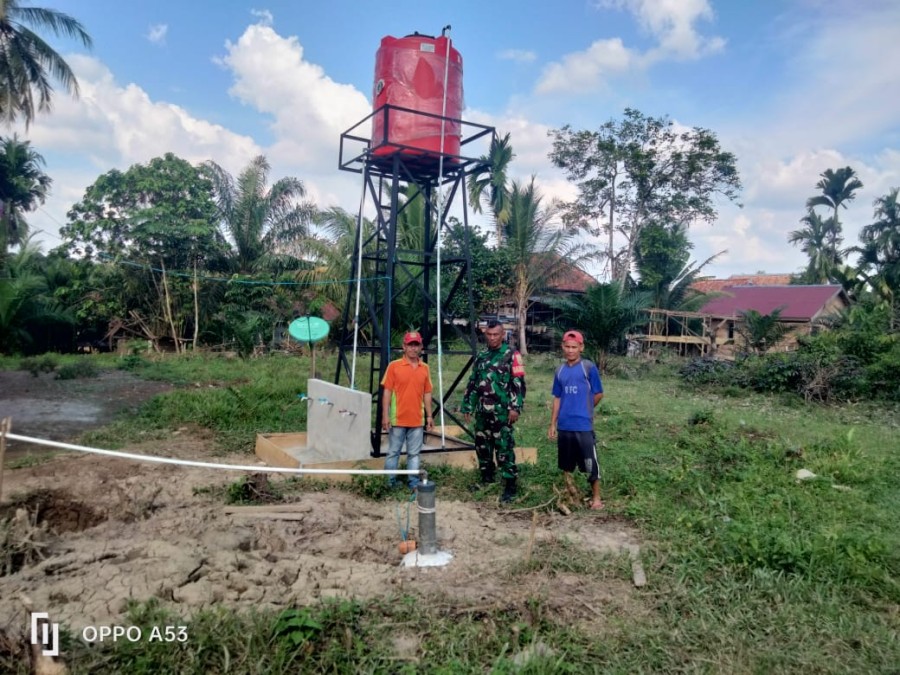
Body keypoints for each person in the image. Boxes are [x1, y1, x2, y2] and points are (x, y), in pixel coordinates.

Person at [462, 320, 526, 503]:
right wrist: (468, 404)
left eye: (495, 334)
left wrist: (515, 407)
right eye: (489, 335)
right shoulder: (482, 356)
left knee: (504, 447)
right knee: (482, 445)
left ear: (502, 334)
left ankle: (510, 484)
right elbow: (473, 382)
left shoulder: (512, 355)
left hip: (502, 412)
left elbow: (519, 384)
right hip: (482, 411)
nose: (492, 338)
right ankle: (486, 478)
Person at [547, 330, 605, 510]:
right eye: (567, 347)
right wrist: (553, 423)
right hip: (565, 425)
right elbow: (557, 398)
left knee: (590, 462)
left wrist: (585, 409)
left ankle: (596, 498)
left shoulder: (588, 367)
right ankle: (571, 493)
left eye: (574, 347)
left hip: (583, 426)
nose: (570, 350)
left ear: (581, 347)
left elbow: (598, 393)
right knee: (566, 462)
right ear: (562, 347)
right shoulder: (560, 370)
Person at [381, 331, 433, 490]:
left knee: (414, 454)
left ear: (421, 347)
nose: (413, 348)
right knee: (393, 452)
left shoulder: (425, 368)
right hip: (398, 419)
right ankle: (389, 483)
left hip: (417, 420)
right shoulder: (394, 366)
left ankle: (413, 483)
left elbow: (427, 393)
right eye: (410, 345)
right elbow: (387, 392)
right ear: (404, 347)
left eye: (416, 345)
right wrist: (385, 416)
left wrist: (429, 416)